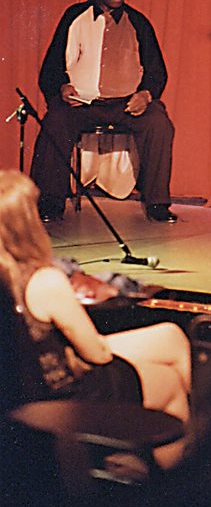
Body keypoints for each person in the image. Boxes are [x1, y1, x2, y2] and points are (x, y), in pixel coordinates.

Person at [0, 170, 190, 422]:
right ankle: (179, 453)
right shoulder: (43, 280)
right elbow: (96, 354)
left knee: (170, 336)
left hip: (36, 374)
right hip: (60, 390)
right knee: (169, 381)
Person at [30, 0, 176, 223]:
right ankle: (50, 201)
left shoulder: (139, 22)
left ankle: (157, 203)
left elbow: (157, 71)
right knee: (55, 121)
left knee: (159, 122)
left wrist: (145, 94)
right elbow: (50, 69)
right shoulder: (74, 17)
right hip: (84, 104)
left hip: (125, 105)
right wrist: (62, 88)